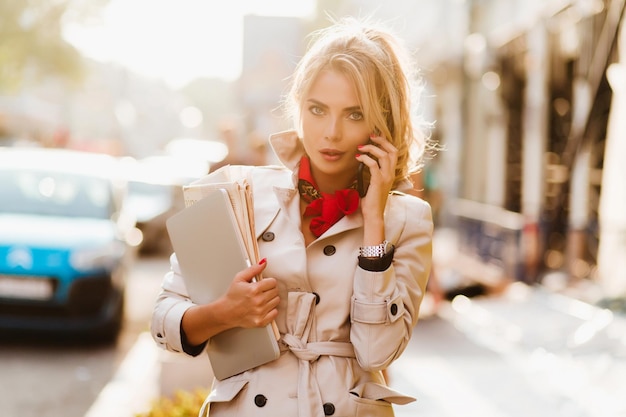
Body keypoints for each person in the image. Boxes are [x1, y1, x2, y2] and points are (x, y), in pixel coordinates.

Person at [151, 17, 434, 417]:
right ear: (298, 108)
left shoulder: (407, 219)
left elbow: (377, 353)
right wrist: (224, 312)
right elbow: (163, 321)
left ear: (381, 121)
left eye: (354, 114)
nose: (331, 132)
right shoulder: (241, 193)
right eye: (318, 110)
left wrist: (374, 223)